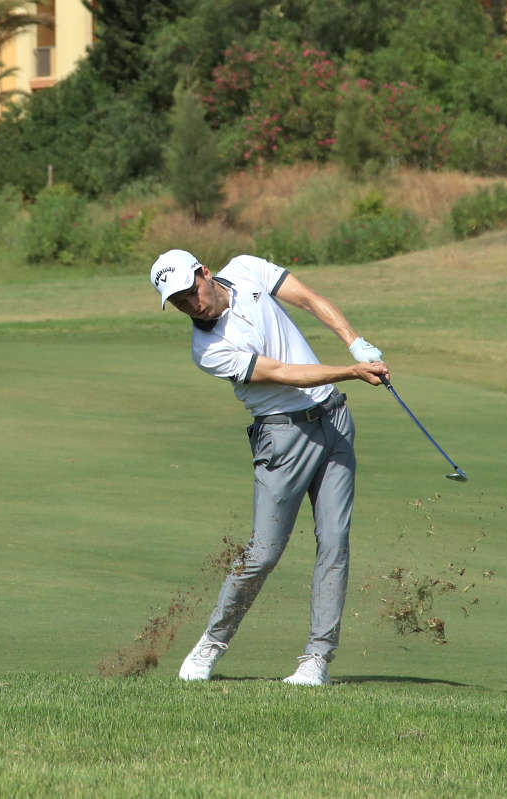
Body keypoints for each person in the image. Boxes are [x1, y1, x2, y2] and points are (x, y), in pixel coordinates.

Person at [149, 248, 389, 687]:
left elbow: (310, 299)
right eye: (179, 303)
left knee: (335, 542)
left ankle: (317, 658)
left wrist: (354, 341)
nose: (190, 305)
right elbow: (283, 372)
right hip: (282, 439)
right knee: (263, 553)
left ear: (204, 273)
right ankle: (212, 642)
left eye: (190, 292)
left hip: (335, 421)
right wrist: (352, 371)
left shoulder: (246, 269)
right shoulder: (208, 350)